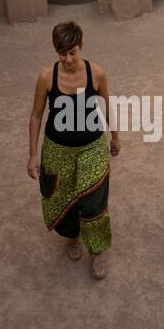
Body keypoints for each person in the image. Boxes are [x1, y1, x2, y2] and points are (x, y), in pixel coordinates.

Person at [28, 20, 120, 279]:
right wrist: (33, 154)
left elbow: (107, 106)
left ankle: (98, 250)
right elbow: (36, 116)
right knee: (62, 197)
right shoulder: (47, 77)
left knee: (93, 201)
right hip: (57, 149)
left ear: (81, 47)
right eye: (62, 53)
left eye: (72, 52)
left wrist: (116, 137)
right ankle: (71, 237)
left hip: (92, 146)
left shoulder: (97, 73)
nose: (67, 59)